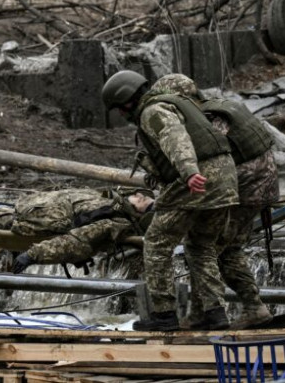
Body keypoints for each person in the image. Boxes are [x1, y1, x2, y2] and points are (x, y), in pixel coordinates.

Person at [101, 70, 239, 331]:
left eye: (120, 108)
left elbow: (176, 138)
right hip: (225, 178)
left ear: (129, 100)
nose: (120, 114)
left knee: (156, 243)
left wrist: (189, 171)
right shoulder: (176, 102)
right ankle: (215, 313)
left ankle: (164, 315)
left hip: (197, 179)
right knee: (201, 246)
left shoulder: (152, 111)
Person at [155, 74, 277, 329]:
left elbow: (213, 153)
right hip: (260, 185)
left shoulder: (208, 117)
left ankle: (253, 307)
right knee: (211, 247)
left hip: (243, 188)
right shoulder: (221, 105)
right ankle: (200, 313)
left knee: (213, 248)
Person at [0, 188, 154, 273]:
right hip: (27, 215)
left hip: (28, 227)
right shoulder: (111, 199)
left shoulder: (115, 221)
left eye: (146, 200)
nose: (141, 195)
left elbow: (74, 241)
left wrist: (33, 255)